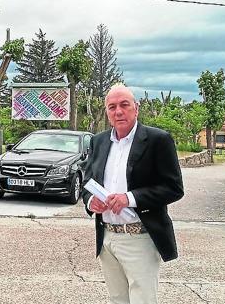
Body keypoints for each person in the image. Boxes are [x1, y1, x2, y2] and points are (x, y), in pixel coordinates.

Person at [82, 84, 184, 304]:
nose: (118, 111)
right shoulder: (98, 141)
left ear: (136, 108)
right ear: (107, 113)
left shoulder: (158, 140)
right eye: (112, 107)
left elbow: (174, 188)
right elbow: (87, 182)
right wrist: (91, 202)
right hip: (107, 238)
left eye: (124, 105)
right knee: (117, 300)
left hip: (140, 238)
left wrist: (129, 198)